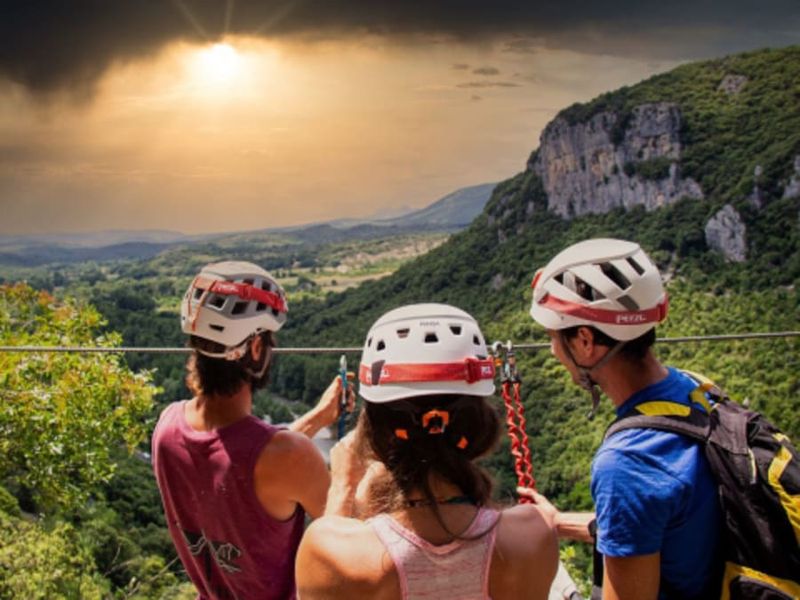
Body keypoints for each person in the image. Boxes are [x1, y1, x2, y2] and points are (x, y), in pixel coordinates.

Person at [296, 303, 558, 599]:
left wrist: (343, 484)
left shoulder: (331, 550)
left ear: (375, 429)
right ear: (477, 425)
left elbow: (334, 553)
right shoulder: (534, 533)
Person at [519, 238, 722, 599]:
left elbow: (639, 495)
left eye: (553, 337)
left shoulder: (627, 463)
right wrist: (556, 523)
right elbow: (658, 520)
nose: (552, 351)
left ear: (584, 340)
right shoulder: (697, 390)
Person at [152, 261, 351, 600]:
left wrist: (318, 416)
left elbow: (244, 458)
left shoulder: (167, 430)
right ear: (256, 350)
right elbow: (353, 538)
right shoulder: (288, 457)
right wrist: (354, 453)